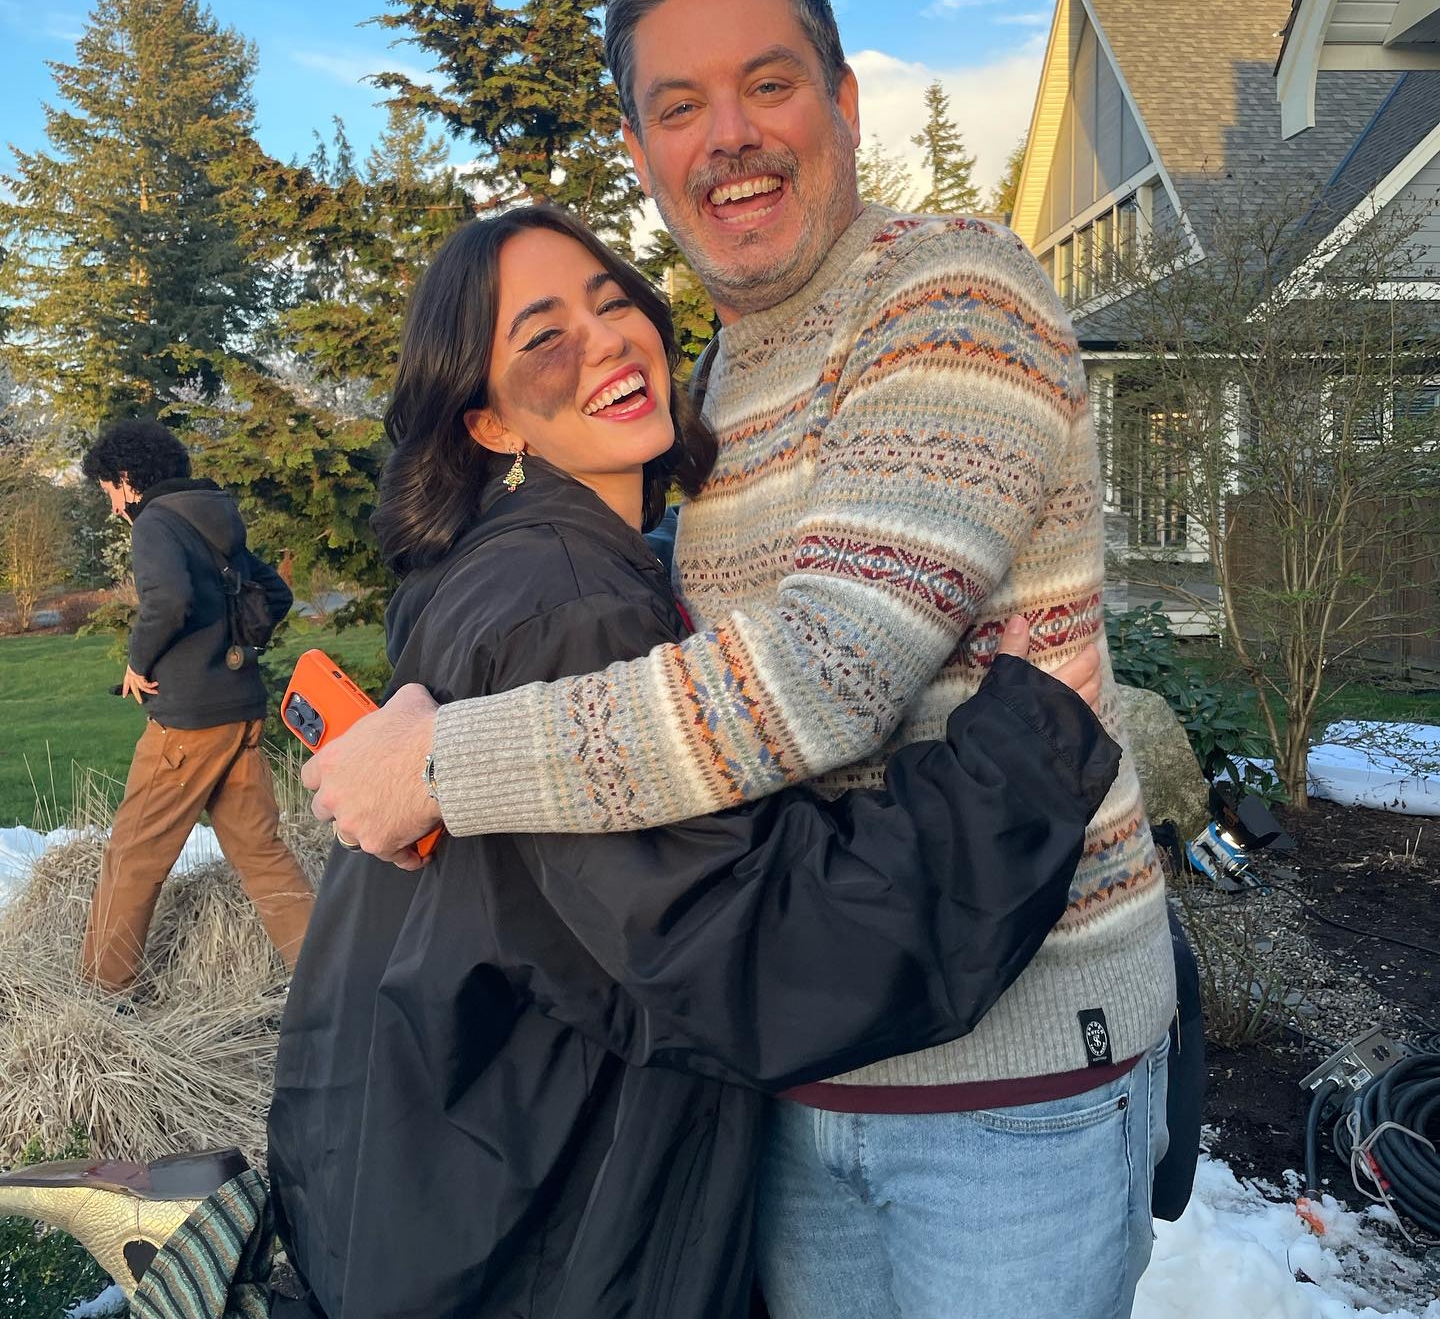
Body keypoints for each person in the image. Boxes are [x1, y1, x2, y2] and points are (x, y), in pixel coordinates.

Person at [1, 207, 1120, 1318]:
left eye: (612, 301)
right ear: (491, 423)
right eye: (543, 337)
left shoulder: (513, 569)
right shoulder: (571, 608)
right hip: (550, 1204)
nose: (605, 342)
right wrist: (1018, 771)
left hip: (441, 1147)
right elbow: (745, 953)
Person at [303, 0, 1178, 1319]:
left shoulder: (944, 290)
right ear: (641, 152)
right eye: (679, 106)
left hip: (1007, 1081)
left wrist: (445, 760)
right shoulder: (713, 377)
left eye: (768, 84)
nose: (730, 137)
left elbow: (822, 675)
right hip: (797, 1067)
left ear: (843, 101)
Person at [77, 420, 314, 995]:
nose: (113, 507)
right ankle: (324, 977)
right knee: (260, 850)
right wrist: (233, 645)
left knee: (133, 854)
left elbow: (170, 600)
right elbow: (275, 593)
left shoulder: (155, 522)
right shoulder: (215, 515)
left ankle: (102, 994)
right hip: (242, 708)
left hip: (188, 723)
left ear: (127, 478)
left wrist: (138, 662)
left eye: (110, 491)